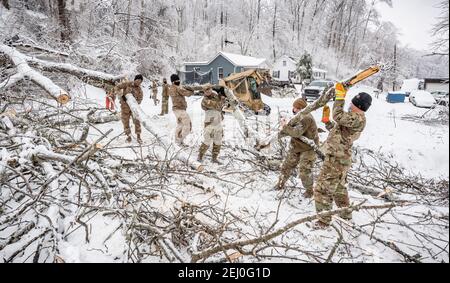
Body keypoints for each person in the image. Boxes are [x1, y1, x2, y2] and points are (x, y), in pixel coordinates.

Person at [313, 83, 372, 228]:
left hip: (337, 160)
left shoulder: (358, 118)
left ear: (360, 106)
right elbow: (339, 131)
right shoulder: (353, 118)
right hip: (339, 159)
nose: (350, 105)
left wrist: (340, 97)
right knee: (339, 188)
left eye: (353, 103)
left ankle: (323, 221)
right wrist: (327, 123)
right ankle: (345, 214)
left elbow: (338, 116)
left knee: (322, 189)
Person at [275, 98, 319, 198]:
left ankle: (309, 191)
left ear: (300, 108)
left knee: (304, 171)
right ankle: (280, 184)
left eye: (295, 108)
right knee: (286, 166)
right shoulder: (298, 116)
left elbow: (296, 132)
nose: (293, 110)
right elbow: (292, 129)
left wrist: (285, 126)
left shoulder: (306, 117)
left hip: (308, 148)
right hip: (297, 146)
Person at [198, 84, 225, 164]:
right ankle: (200, 156)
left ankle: (214, 158)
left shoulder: (216, 96)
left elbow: (221, 106)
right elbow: (215, 105)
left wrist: (222, 96)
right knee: (207, 140)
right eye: (206, 90)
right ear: (204, 92)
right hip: (209, 122)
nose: (208, 91)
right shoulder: (204, 100)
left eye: (209, 89)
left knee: (218, 140)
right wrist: (221, 99)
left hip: (218, 121)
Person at [114, 75, 144, 143]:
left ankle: (138, 136)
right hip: (125, 107)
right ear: (135, 80)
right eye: (138, 80)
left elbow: (140, 99)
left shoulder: (140, 90)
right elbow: (117, 87)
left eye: (140, 81)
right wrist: (121, 95)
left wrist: (134, 101)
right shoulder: (127, 84)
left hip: (134, 109)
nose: (139, 82)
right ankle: (128, 136)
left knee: (137, 122)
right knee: (125, 122)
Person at [169, 74, 193, 146]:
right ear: (173, 82)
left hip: (177, 109)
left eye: (179, 80)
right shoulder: (177, 88)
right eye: (177, 80)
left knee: (180, 125)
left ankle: (178, 142)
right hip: (180, 110)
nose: (178, 81)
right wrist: (191, 90)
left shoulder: (172, 88)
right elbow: (188, 93)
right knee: (188, 125)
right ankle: (179, 140)